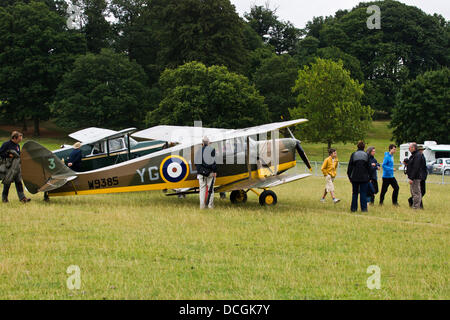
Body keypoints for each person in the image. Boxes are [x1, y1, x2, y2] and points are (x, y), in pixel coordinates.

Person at [0, 131, 31, 203]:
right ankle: (4, 199)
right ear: (14, 138)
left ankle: (22, 198)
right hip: (8, 167)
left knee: (19, 182)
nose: (20, 141)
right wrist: (8, 155)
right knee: (7, 182)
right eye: (19, 139)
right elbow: (1, 153)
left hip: (16, 167)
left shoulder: (17, 146)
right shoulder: (6, 144)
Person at [347, 141, 370, 212]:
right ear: (364, 147)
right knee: (363, 193)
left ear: (357, 146)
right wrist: (369, 177)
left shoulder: (353, 154)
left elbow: (350, 167)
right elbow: (369, 167)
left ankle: (353, 208)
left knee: (355, 193)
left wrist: (350, 177)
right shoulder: (366, 155)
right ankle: (364, 209)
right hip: (364, 177)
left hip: (355, 177)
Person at [195, 137, 217, 209]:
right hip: (210, 173)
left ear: (202, 143)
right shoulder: (212, 150)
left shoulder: (198, 151)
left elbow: (197, 163)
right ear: (208, 142)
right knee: (211, 189)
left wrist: (200, 171)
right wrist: (214, 171)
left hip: (201, 173)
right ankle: (210, 206)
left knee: (202, 190)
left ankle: (202, 206)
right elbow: (213, 162)